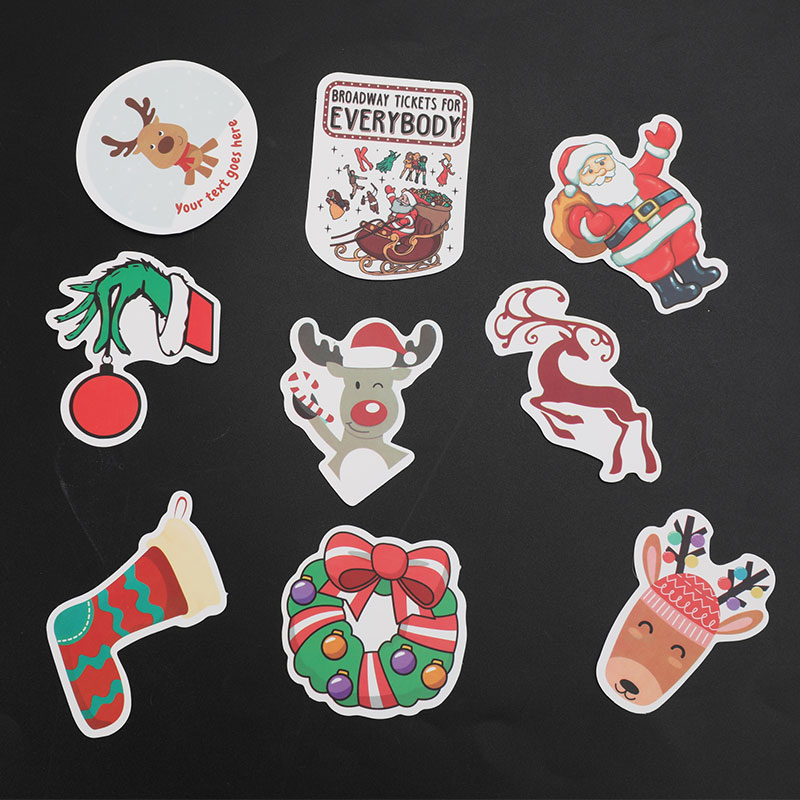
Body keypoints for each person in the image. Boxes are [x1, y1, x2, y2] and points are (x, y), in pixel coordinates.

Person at [548, 118, 723, 310]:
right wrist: (591, 226)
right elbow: (576, 221)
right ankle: (670, 291)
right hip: (635, 241)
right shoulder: (590, 203)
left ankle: (693, 271)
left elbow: (651, 164)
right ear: (579, 182)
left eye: (601, 161)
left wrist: (659, 145)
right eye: (589, 171)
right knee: (655, 261)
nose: (600, 171)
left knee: (683, 243)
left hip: (673, 217)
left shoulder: (633, 174)